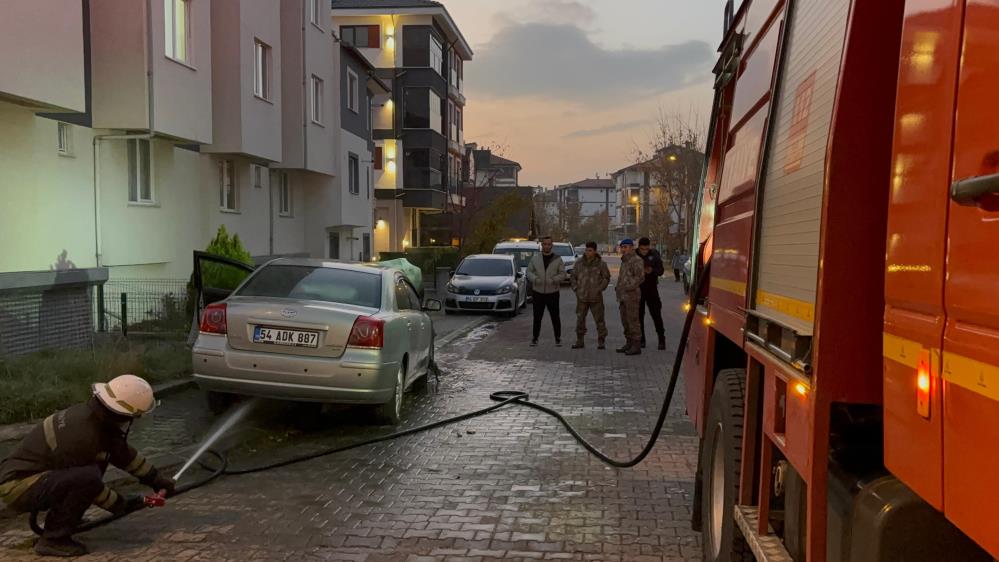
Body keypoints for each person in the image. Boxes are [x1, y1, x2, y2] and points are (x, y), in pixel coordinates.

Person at [0, 375, 176, 557]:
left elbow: (123, 454)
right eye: (135, 416)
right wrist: (121, 504)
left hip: (37, 477)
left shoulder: (95, 419)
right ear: (125, 414)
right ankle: (53, 540)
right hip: (17, 486)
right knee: (87, 477)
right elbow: (89, 484)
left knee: (86, 475)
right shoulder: (84, 436)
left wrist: (156, 479)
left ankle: (67, 520)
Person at [527, 236, 567, 346]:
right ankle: (535, 338)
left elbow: (563, 274)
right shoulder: (535, 258)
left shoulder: (557, 259)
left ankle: (558, 338)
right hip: (538, 292)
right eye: (545, 244)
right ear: (542, 245)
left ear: (552, 246)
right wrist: (535, 279)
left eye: (549, 244)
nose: (546, 246)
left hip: (552, 293)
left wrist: (554, 280)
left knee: (555, 317)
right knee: (537, 317)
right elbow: (529, 272)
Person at [570, 241, 611, 350]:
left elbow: (606, 278)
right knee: (580, 319)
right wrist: (576, 289)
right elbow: (573, 277)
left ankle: (601, 340)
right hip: (582, 297)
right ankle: (580, 340)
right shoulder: (579, 263)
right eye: (586, 250)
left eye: (590, 250)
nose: (588, 252)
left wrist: (600, 289)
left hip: (596, 297)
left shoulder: (601, 264)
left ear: (595, 251)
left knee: (600, 320)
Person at [615, 238, 646, 355]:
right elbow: (622, 277)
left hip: (631, 295)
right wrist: (618, 288)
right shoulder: (624, 261)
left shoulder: (636, 260)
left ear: (632, 248)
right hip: (622, 296)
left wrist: (628, 287)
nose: (623, 249)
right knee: (625, 321)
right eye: (622, 247)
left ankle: (636, 345)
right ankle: (629, 342)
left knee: (633, 320)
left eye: (626, 247)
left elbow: (640, 277)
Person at [637, 237, 667, 350]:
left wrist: (652, 271)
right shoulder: (634, 255)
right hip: (638, 290)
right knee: (639, 316)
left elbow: (661, 271)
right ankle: (641, 340)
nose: (644, 251)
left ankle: (661, 339)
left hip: (651, 290)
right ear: (639, 247)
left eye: (646, 249)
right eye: (642, 249)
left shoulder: (654, 255)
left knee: (656, 315)